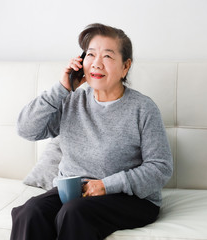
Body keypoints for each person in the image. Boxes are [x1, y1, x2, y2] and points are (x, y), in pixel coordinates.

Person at [11, 23, 173, 240]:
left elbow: (160, 168)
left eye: (107, 56)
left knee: (74, 212)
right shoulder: (71, 100)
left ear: (125, 67)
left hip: (130, 198)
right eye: (90, 55)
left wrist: (106, 186)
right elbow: (26, 129)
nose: (97, 63)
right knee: (30, 212)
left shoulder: (143, 108)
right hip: (76, 193)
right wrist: (62, 88)